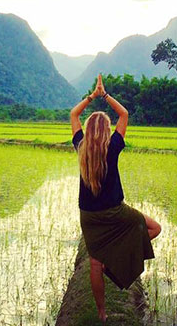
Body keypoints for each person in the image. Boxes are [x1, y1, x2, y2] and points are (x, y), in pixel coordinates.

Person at [70, 74, 162, 322]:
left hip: (88, 217)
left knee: (95, 264)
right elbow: (125, 114)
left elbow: (73, 115)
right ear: (107, 130)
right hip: (114, 212)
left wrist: (92, 96)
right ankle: (117, 261)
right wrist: (105, 95)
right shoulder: (112, 147)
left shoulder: (81, 146)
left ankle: (101, 313)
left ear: (88, 130)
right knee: (155, 227)